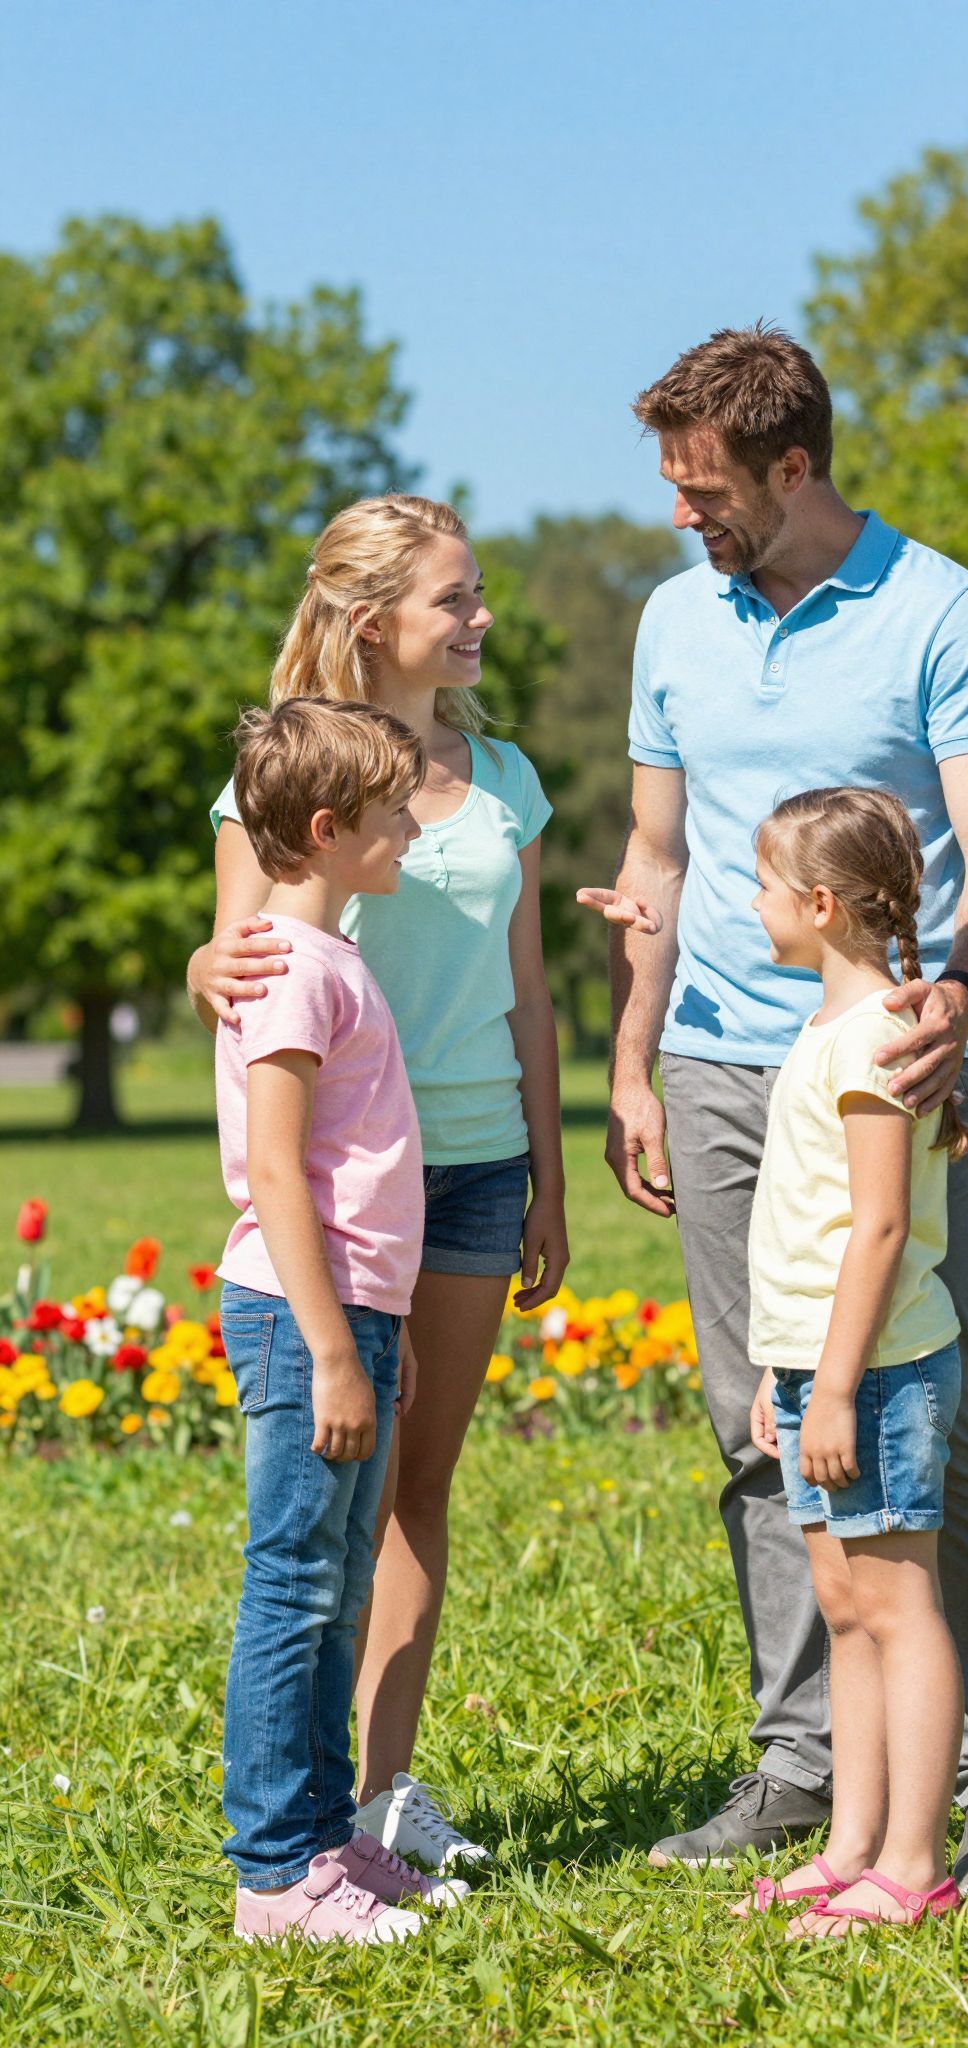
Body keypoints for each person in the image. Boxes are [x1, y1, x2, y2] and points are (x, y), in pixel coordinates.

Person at [579, 323, 968, 1891]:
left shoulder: (941, 609)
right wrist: (634, 1057)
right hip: (721, 1066)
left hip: (884, 1065)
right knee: (759, 1424)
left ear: (796, 466)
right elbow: (658, 863)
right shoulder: (674, 620)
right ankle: (808, 1765)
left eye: (705, 487)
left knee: (941, 1409)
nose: (680, 515)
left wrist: (956, 1000)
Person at [188, 496, 567, 1872]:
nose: (480, 620)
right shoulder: (292, 770)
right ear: (373, 623)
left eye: (478, 597)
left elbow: (528, 993)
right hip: (348, 1186)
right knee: (326, 1507)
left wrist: (549, 1175)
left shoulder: (508, 776)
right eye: (456, 600)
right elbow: (247, 953)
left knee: (418, 1485)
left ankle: (380, 1794)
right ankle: (299, 1828)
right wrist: (191, 968)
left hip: (473, 1172)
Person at [217, 695, 469, 1944]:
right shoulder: (292, 969)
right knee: (298, 1591)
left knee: (329, 1591)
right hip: (299, 1319)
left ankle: (325, 1846)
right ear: (327, 830)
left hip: (349, 1316)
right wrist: (330, 1346)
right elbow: (276, 1173)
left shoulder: (323, 956)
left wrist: (382, 1326)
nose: (411, 833)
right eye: (391, 817)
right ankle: (275, 1875)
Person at [732, 786, 966, 1937]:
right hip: (818, 1368)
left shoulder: (878, 1033)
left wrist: (830, 1382)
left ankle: (914, 1861)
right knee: (845, 1598)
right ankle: (854, 1843)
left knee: (898, 1600)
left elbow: (876, 1228)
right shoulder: (832, 1027)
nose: (754, 901)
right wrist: (790, 1378)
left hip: (875, 1369)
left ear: (819, 904)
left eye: (765, 882)